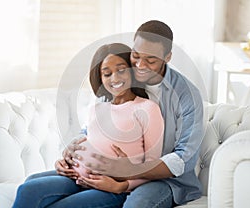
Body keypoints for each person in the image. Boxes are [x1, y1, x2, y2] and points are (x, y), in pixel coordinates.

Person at [60, 20, 205, 207]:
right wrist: (70, 152)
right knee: (34, 187)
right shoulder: (122, 76)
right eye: (136, 56)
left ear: (167, 57)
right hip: (105, 172)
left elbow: (183, 159)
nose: (140, 65)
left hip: (167, 182)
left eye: (151, 60)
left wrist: (129, 171)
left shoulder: (187, 95)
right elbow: (92, 129)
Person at [12, 43, 164, 208]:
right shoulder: (97, 108)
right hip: (76, 177)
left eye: (121, 70)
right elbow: (87, 141)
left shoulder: (147, 108)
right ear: (100, 78)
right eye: (107, 73)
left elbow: (153, 166)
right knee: (27, 189)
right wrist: (63, 163)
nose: (115, 78)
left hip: (111, 187)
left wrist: (122, 186)